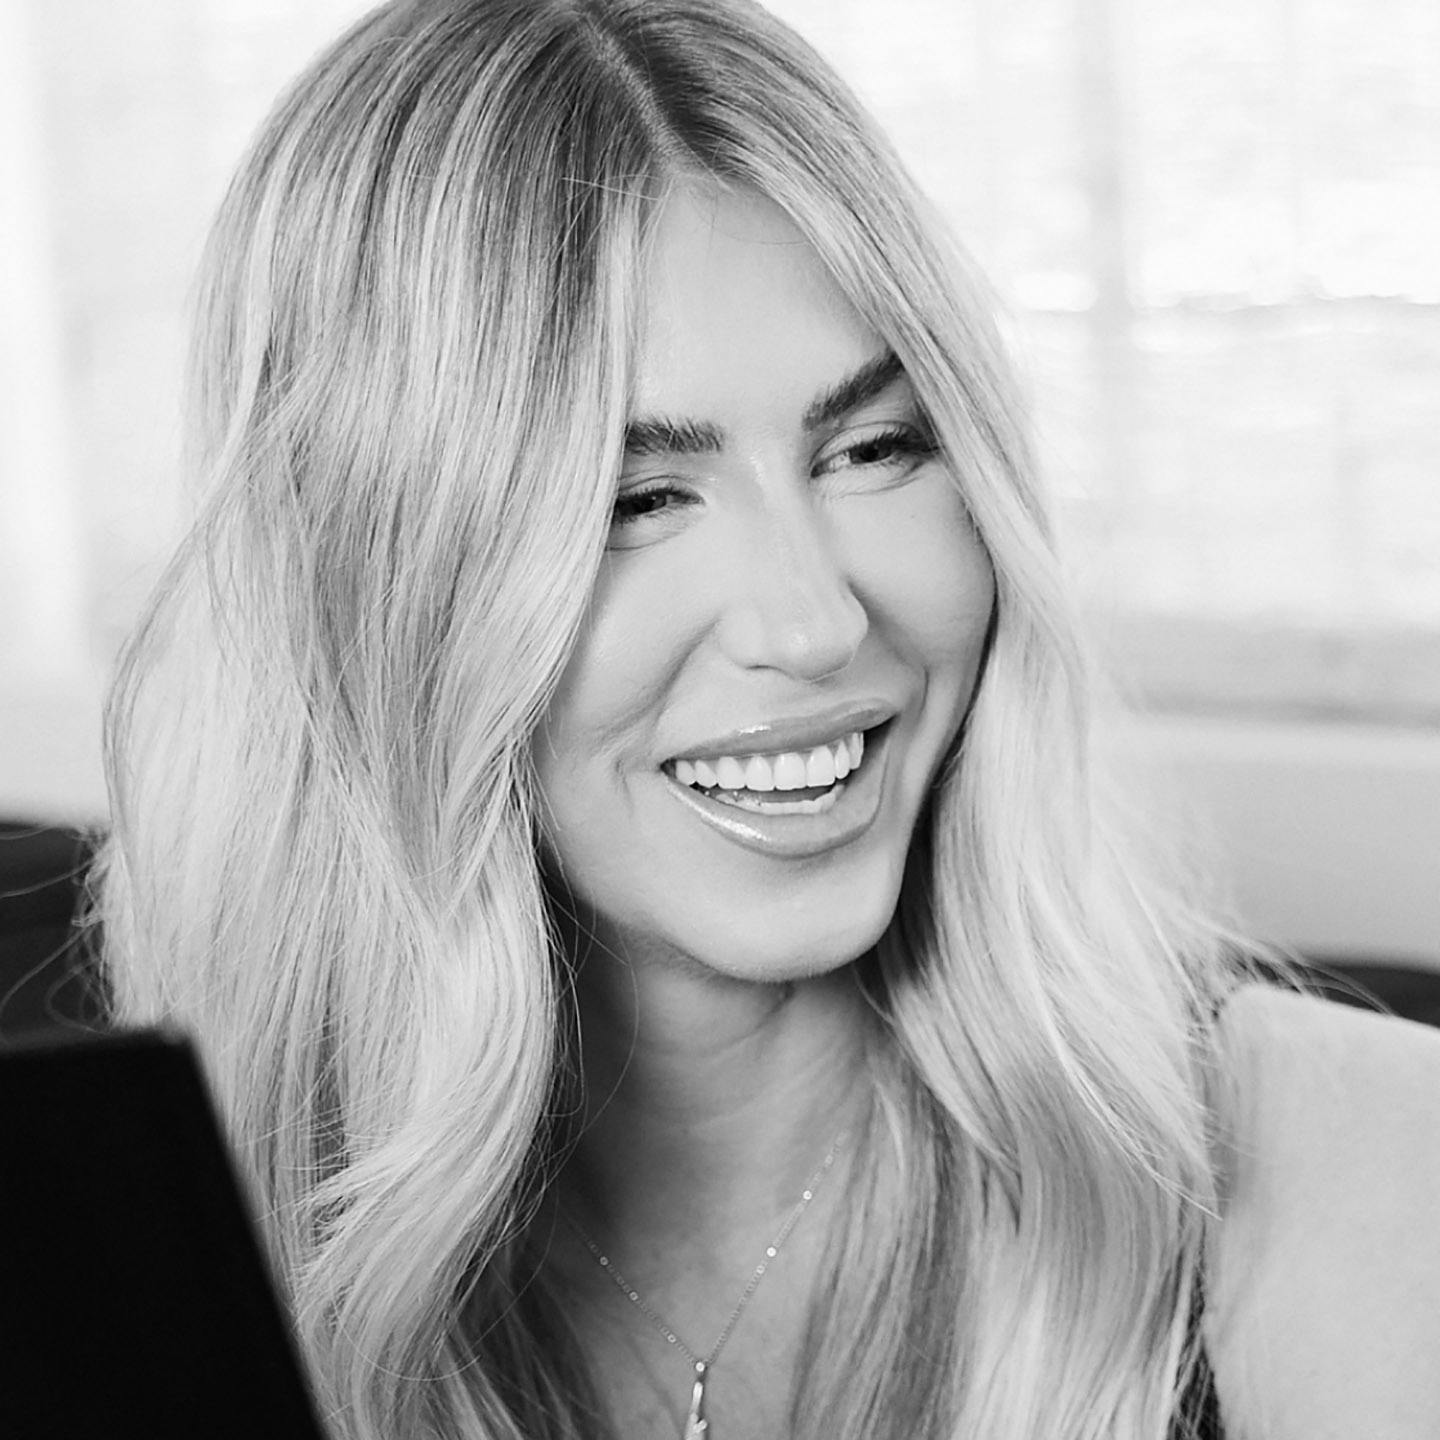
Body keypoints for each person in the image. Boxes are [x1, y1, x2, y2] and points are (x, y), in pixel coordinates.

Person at [93, 1, 1440, 1437]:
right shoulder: (159, 1252)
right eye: (636, 501)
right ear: (370, 584)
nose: (813, 623)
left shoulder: (1358, 1163)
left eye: (872, 448)